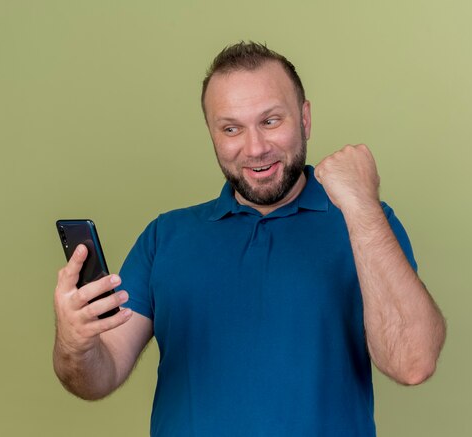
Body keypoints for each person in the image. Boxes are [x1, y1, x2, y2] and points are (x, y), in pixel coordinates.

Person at [53, 42, 446, 436]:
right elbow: (96, 379)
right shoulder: (166, 236)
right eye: (231, 128)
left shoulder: (366, 223)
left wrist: (361, 204)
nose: (255, 148)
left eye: (271, 121)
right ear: (211, 133)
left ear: (305, 119)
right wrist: (75, 343)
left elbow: (412, 363)